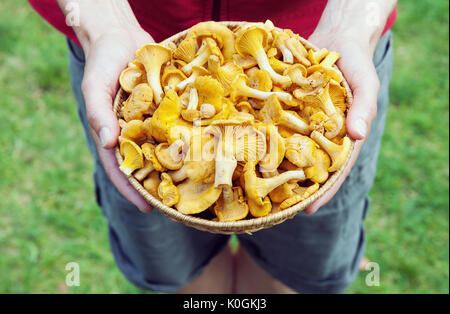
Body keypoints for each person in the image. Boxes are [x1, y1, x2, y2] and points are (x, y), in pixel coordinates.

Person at [29, 0, 397, 293]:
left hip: (327, 37)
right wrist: (101, 22)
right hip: (126, 42)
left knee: (299, 265)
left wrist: (355, 19)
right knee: (171, 266)